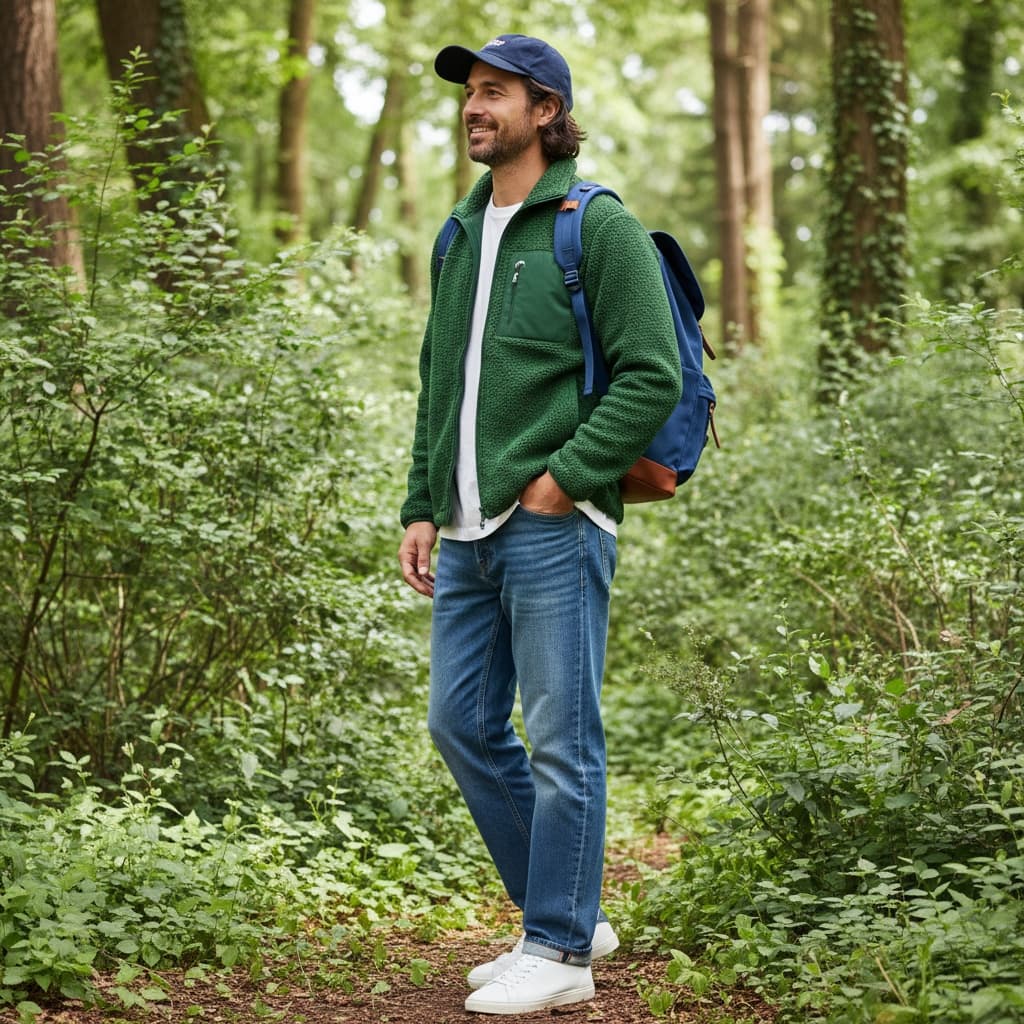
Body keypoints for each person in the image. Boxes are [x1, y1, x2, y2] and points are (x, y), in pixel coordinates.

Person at [398, 33, 681, 1016]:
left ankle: (559, 947)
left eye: (494, 93)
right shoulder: (459, 233)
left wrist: (567, 478)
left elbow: (655, 371)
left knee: (564, 739)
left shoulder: (593, 225)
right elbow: (441, 383)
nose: (475, 108)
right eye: (470, 94)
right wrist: (421, 503)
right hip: (467, 528)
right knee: (461, 723)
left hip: (556, 521)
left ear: (546, 109)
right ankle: (564, 909)